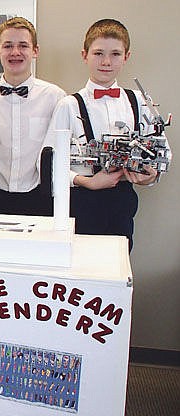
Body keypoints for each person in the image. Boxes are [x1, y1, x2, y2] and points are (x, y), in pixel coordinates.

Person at [46, 19, 167, 250]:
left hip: (123, 201)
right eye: (98, 53)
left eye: (115, 54)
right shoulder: (68, 105)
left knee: (117, 269)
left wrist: (150, 176)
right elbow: (49, 164)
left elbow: (160, 152)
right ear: (85, 55)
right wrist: (87, 182)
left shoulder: (140, 102)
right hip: (81, 203)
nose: (106, 62)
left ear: (126, 57)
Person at [0, 17, 66, 215]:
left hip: (41, 199)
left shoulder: (56, 97)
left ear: (35, 51)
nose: (15, 52)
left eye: (23, 45)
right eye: (8, 46)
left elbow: (62, 155)